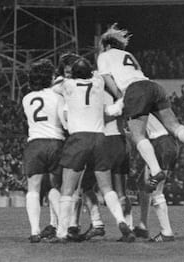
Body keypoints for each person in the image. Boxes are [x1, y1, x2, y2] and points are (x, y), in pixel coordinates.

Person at [97, 24, 184, 193]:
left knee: (137, 135)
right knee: (174, 125)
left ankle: (156, 171)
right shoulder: (128, 54)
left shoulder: (104, 55)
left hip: (134, 90)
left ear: (106, 45)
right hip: (154, 86)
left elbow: (107, 78)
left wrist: (121, 96)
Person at [50, 57, 135, 243]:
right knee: (107, 188)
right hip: (100, 138)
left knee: (67, 189)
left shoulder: (67, 86)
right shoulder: (98, 83)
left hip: (78, 138)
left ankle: (62, 232)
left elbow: (54, 85)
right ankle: (122, 222)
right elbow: (99, 74)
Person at [22, 59, 65, 243]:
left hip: (35, 143)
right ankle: (61, 227)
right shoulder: (57, 96)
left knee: (33, 188)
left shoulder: (27, 98)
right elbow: (64, 120)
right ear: (50, 77)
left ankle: (34, 231)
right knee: (56, 187)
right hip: (56, 142)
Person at [40, 52, 81, 241]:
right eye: (67, 71)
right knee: (56, 183)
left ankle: (72, 224)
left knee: (74, 186)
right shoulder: (58, 85)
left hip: (77, 136)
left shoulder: (81, 84)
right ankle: (55, 223)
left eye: (72, 71)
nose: (70, 74)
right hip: (61, 136)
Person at [134, 113, 178, 242]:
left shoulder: (132, 104)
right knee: (142, 184)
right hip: (166, 142)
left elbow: (136, 134)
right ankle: (143, 225)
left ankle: (166, 232)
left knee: (156, 190)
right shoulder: (143, 103)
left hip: (160, 143)